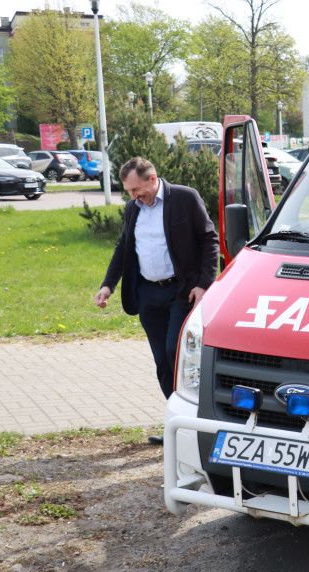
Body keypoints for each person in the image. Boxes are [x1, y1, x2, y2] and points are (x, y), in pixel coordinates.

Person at [94, 157, 219, 444]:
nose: (133, 196)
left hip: (181, 291)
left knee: (176, 355)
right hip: (148, 295)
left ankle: (198, 424)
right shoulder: (133, 209)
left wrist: (203, 284)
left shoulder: (185, 198)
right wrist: (108, 285)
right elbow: (124, 247)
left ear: (153, 179)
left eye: (137, 189)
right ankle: (177, 426)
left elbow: (209, 240)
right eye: (128, 191)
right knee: (162, 362)